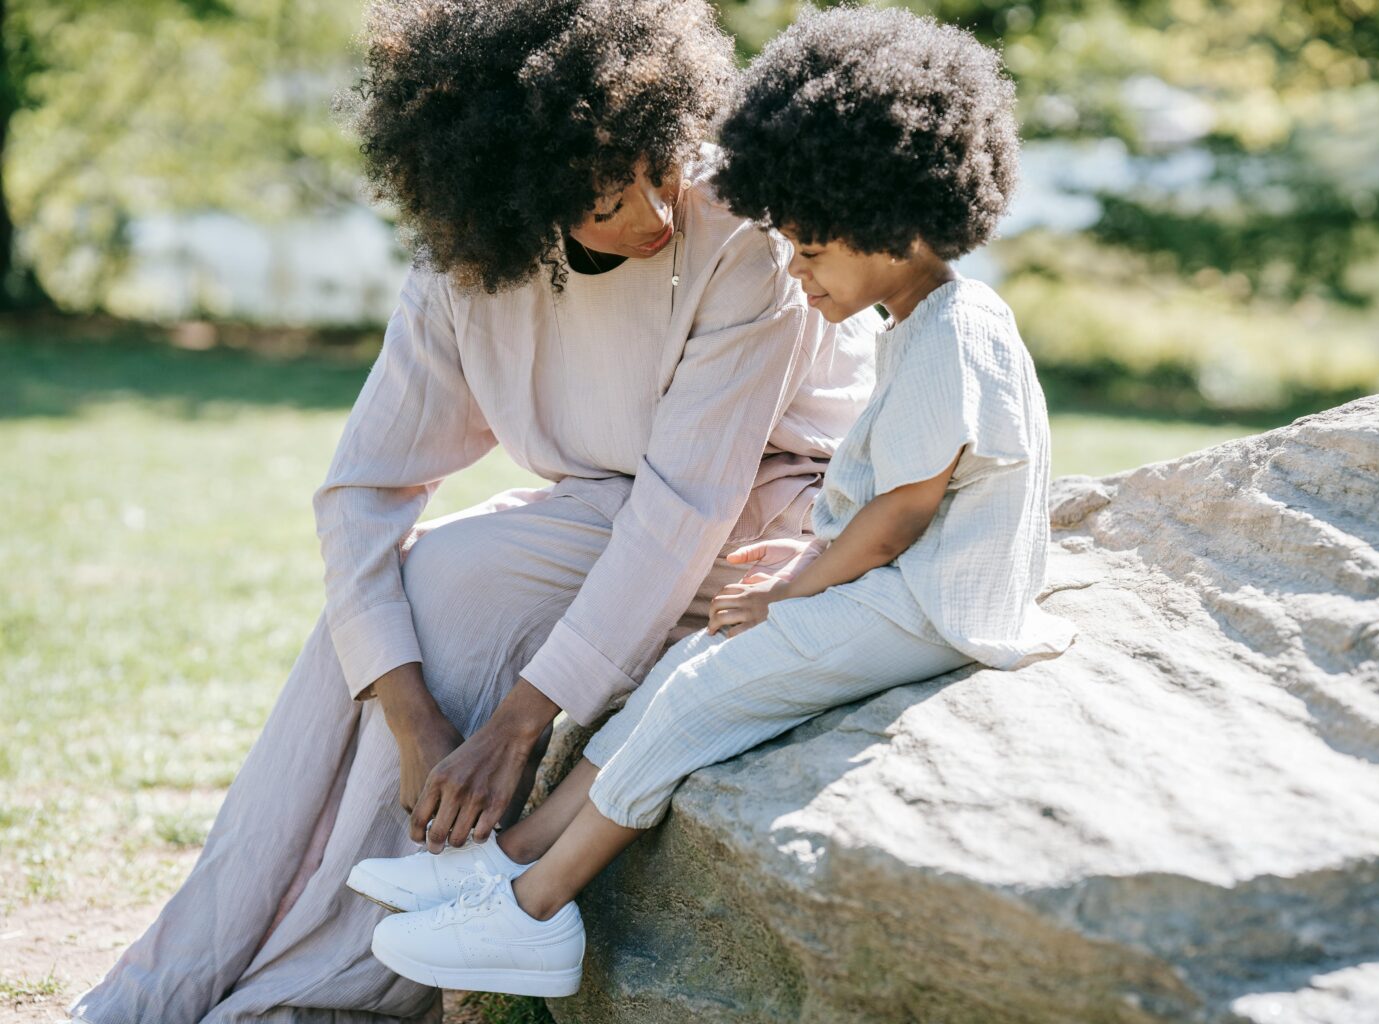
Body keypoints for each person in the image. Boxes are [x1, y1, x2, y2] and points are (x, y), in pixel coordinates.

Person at [68, 1, 875, 1021]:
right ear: (515, 193)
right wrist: (412, 715)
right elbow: (363, 489)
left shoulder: (741, 232)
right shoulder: (467, 259)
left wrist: (516, 724)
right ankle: (164, 981)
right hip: (609, 510)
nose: (653, 215)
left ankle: (327, 992)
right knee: (388, 614)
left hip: (759, 514)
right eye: (605, 200)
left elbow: (684, 508)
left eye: (660, 168)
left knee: (453, 581)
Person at [353, 4, 1077, 997]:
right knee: (681, 669)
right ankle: (503, 858)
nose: (796, 272)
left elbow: (900, 519)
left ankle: (535, 913)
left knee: (697, 699)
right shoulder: (917, 321)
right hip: (902, 590)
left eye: (811, 249)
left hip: (935, 607)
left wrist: (794, 588)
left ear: (891, 220)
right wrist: (807, 565)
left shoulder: (959, 329)